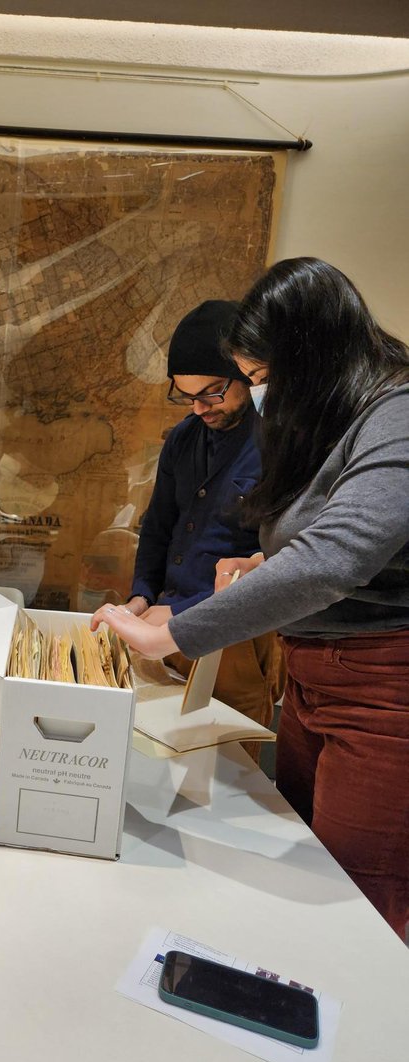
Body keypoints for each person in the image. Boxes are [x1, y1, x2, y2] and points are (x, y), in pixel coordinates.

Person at [93, 258, 409, 938]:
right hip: (314, 670)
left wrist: (172, 632)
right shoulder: (343, 418)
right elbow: (336, 538)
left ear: (310, 354)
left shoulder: (398, 414)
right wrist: (266, 561)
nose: (259, 395)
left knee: (356, 901)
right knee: (297, 856)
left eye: (260, 378)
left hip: (384, 686)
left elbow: (338, 557)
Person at [125, 300, 284, 756]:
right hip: (165, 620)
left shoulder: (278, 441)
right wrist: (141, 596)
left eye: (212, 392)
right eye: (185, 394)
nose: (197, 408)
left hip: (236, 636)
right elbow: (158, 527)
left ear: (246, 374)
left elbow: (275, 562)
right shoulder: (183, 438)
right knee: (157, 754)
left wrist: (181, 613)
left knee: (228, 764)